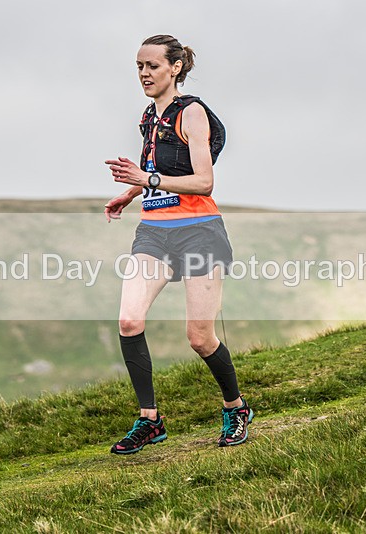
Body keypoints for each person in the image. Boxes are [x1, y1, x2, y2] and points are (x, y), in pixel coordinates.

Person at [104, 34, 253, 454]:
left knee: (199, 337)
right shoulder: (149, 117)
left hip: (198, 230)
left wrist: (146, 180)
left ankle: (236, 408)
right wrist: (130, 193)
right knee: (129, 321)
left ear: (175, 68)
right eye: (138, 67)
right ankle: (150, 421)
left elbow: (204, 181)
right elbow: (154, 168)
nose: (144, 74)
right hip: (153, 230)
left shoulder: (193, 114)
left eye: (152, 66)